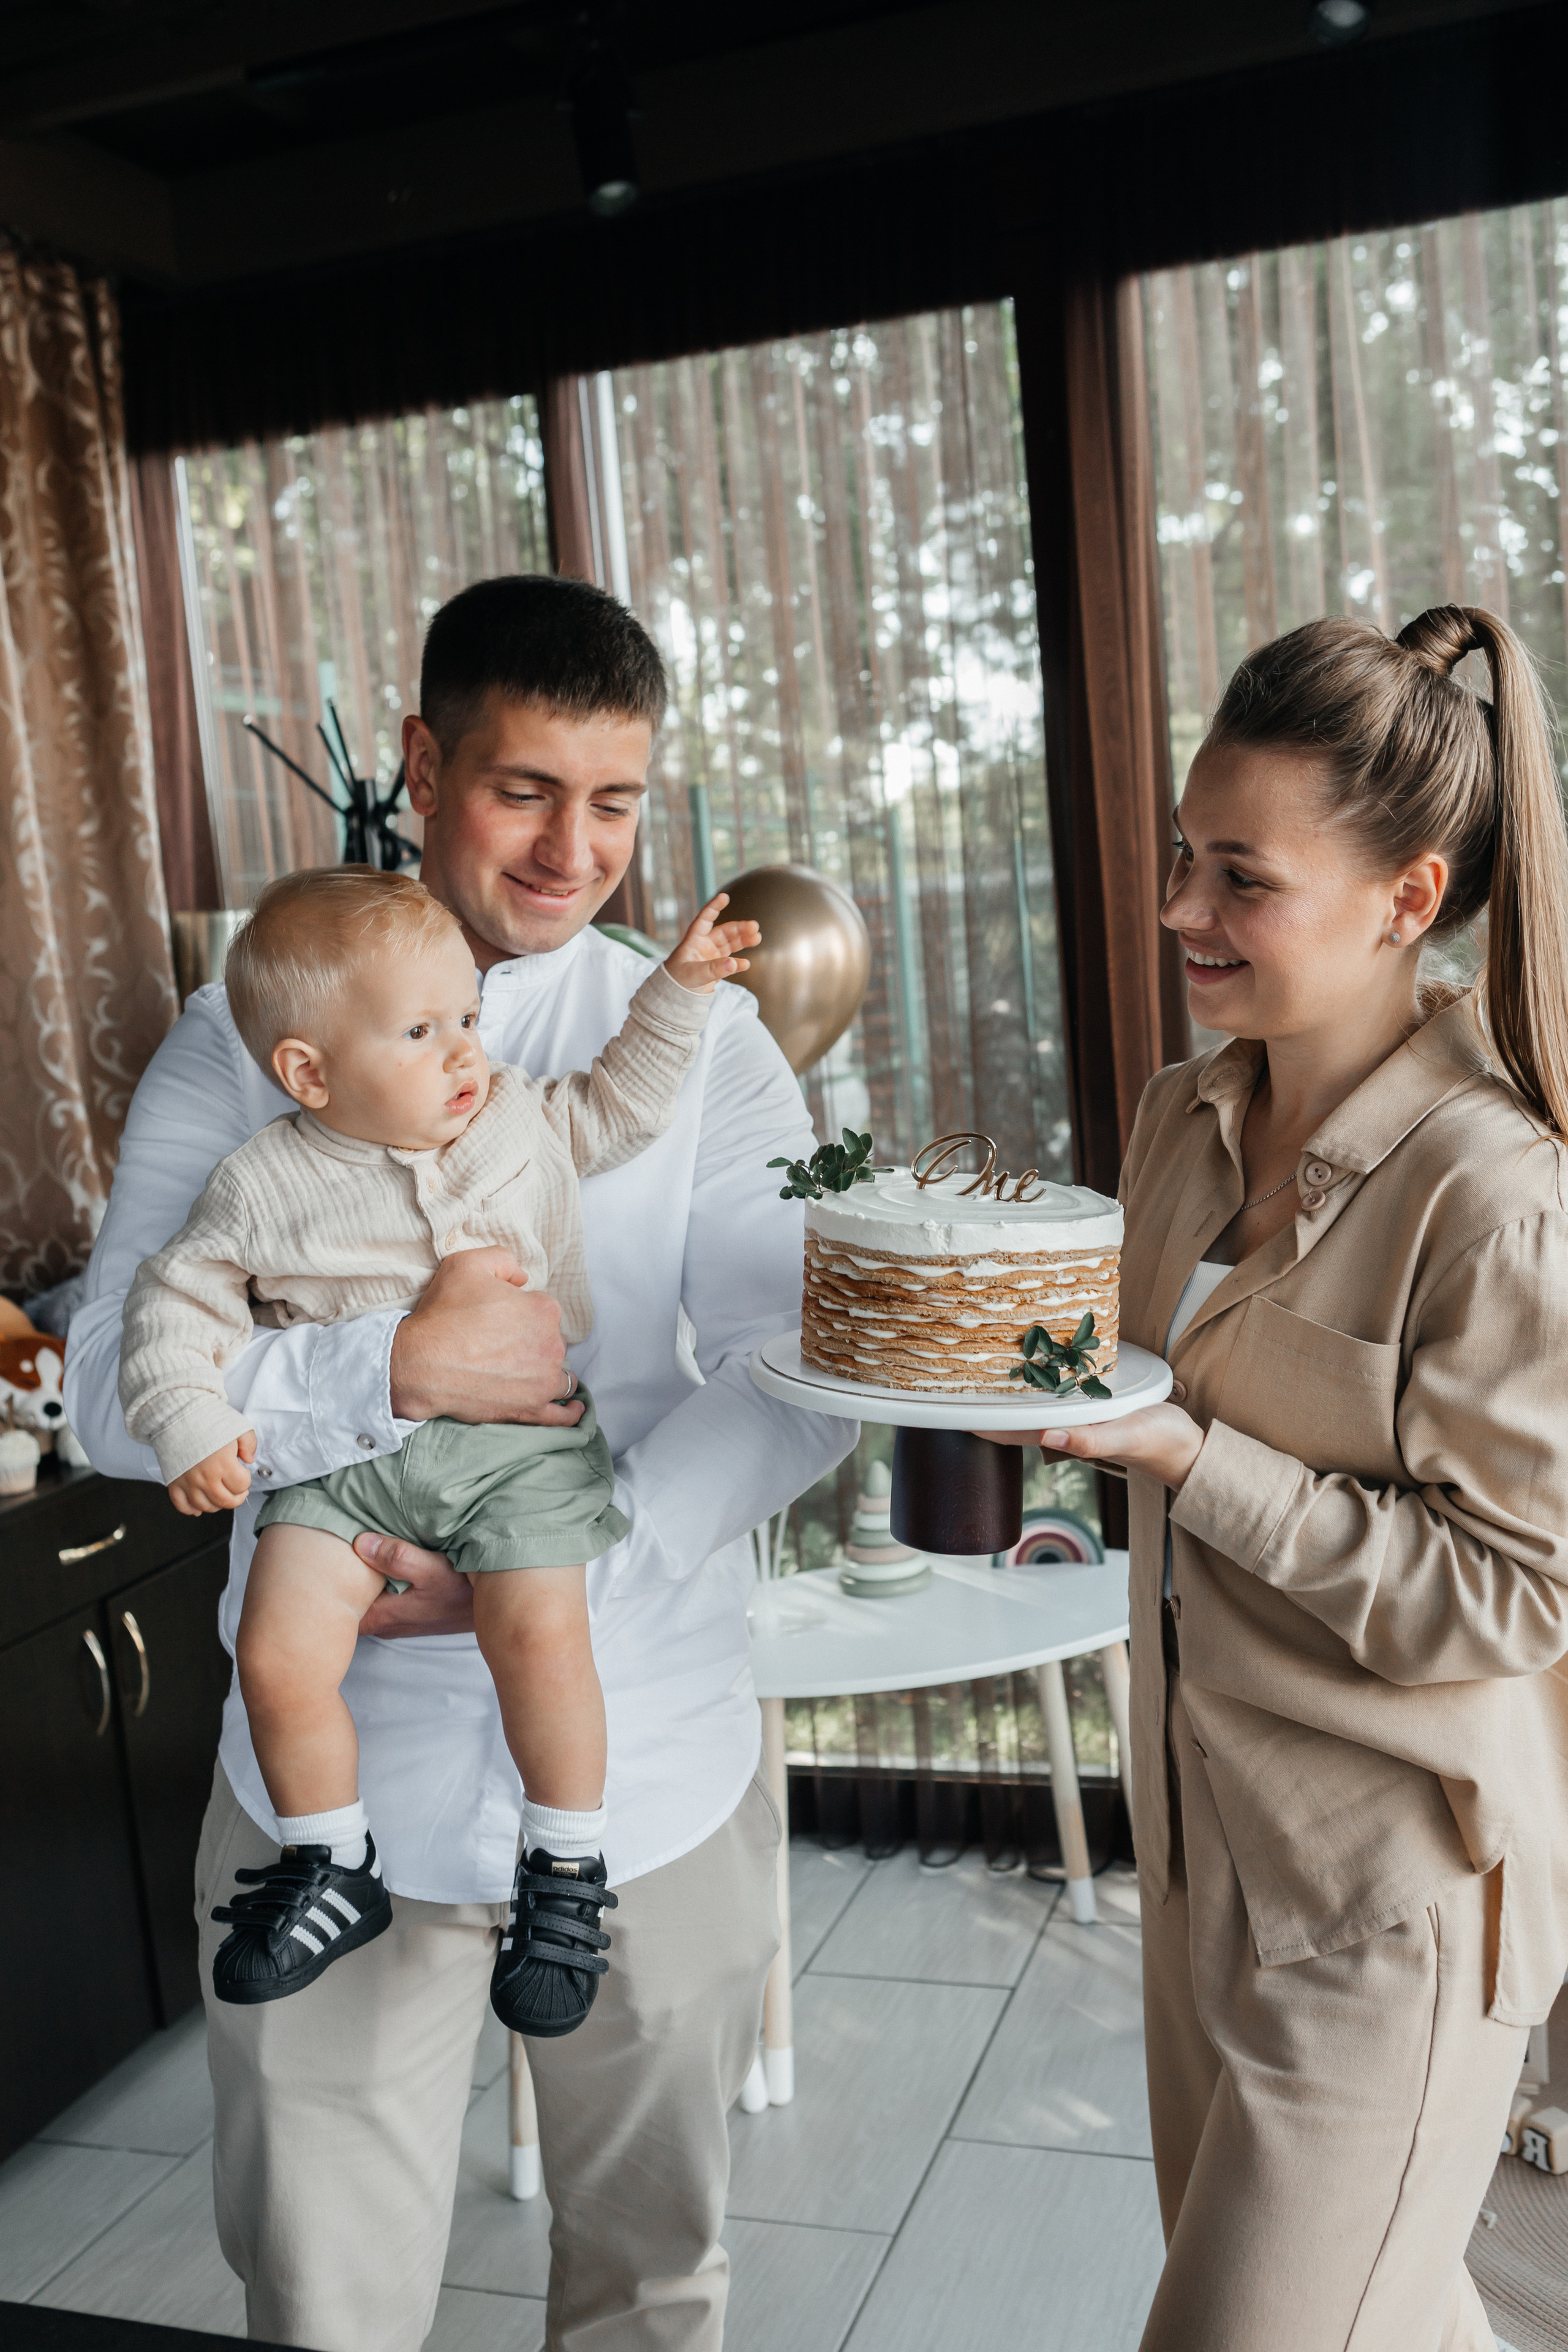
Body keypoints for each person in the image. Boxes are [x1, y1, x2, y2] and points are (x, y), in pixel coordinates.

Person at [66, 573, 854, 2352]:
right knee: (320, 2310)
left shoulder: (701, 1047)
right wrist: (378, 1366)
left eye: (620, 801)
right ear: (422, 763)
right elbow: (126, 1393)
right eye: (524, 790)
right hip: (337, 1796)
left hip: (645, 1771)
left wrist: (563, 1554)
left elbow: (799, 1377)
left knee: (653, 2293)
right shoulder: (236, 1040)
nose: (576, 849)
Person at [984, 605, 1568, 2348]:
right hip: (1196, 1865)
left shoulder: (1499, 1196)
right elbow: (1090, 1361)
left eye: (1241, 878)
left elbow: (1517, 1593)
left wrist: (1191, 1459)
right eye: (1182, 858)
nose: (1179, 914)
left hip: (1385, 1903)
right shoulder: (1183, 1114)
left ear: (1409, 898)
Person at [118, 865, 756, 2035]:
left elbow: (621, 1105)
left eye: (470, 1018)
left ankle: (564, 1863)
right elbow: (168, 1308)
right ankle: (330, 1859)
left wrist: (679, 992)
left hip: (520, 1454)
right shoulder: (261, 1183)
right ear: (308, 1073)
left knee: (542, 1632)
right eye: (423, 1032)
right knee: (275, 1648)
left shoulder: (515, 1112)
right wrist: (193, 1422)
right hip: (344, 1468)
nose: (466, 1052)